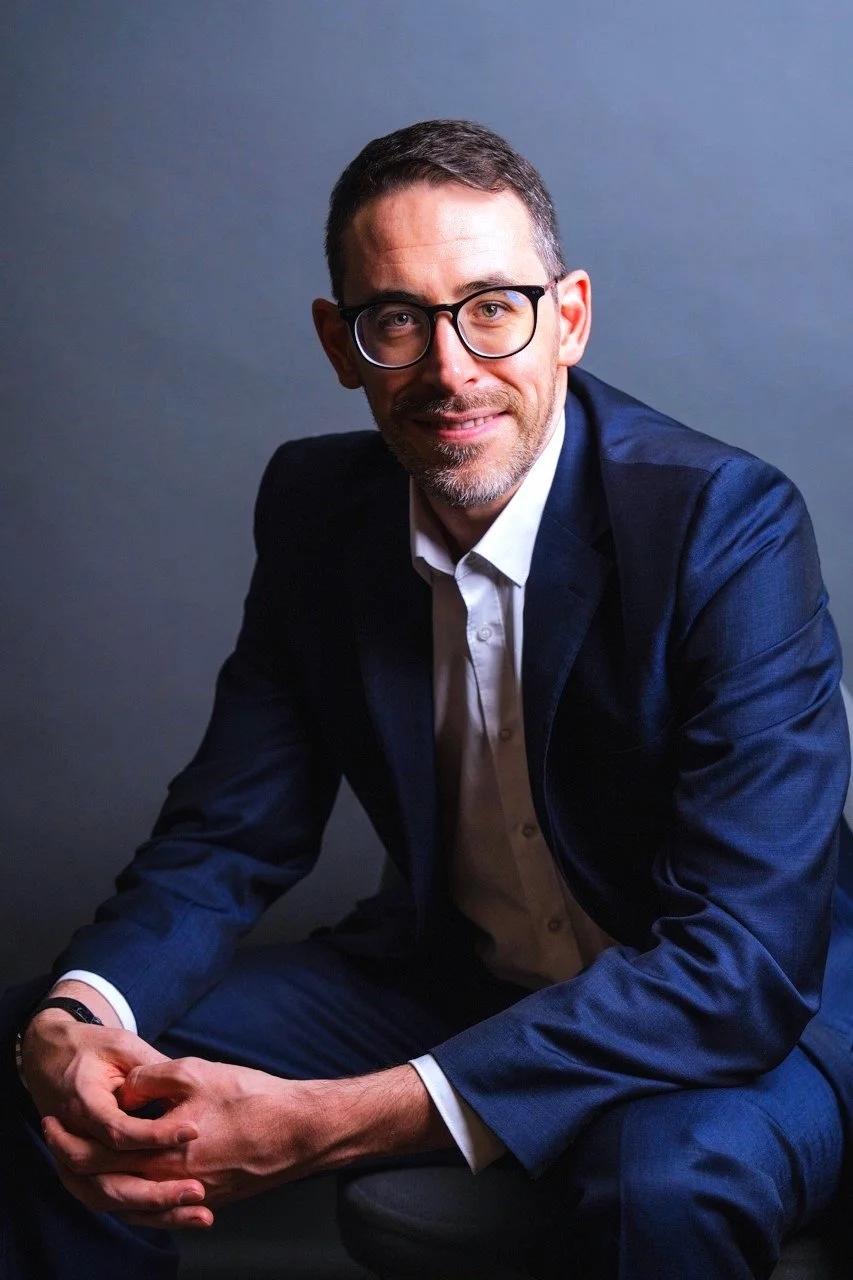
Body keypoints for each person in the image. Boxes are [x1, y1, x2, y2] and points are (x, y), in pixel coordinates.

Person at [3, 118, 852, 1280]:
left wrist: (337, 1117)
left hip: (736, 1019)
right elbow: (224, 835)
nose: (451, 368)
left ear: (570, 317)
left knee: (666, 1175)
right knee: (56, 1073)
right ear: (339, 342)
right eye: (397, 318)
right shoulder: (317, 511)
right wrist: (79, 1018)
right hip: (457, 983)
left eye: (493, 306)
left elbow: (741, 961)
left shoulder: (723, 523)